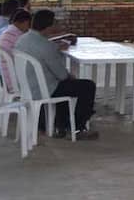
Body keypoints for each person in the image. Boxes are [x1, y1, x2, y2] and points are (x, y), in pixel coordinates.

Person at [14, 9, 98, 139]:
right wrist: (70, 76)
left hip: (27, 85)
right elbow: (62, 75)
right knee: (87, 86)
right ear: (49, 27)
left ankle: (61, 125)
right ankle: (77, 128)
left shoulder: (22, 39)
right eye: (55, 24)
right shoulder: (45, 46)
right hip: (42, 88)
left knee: (66, 86)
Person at [0, 8, 31, 91]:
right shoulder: (17, 36)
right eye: (29, 25)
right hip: (14, 80)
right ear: (26, 22)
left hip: (7, 77)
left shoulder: (9, 31)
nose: (29, 28)